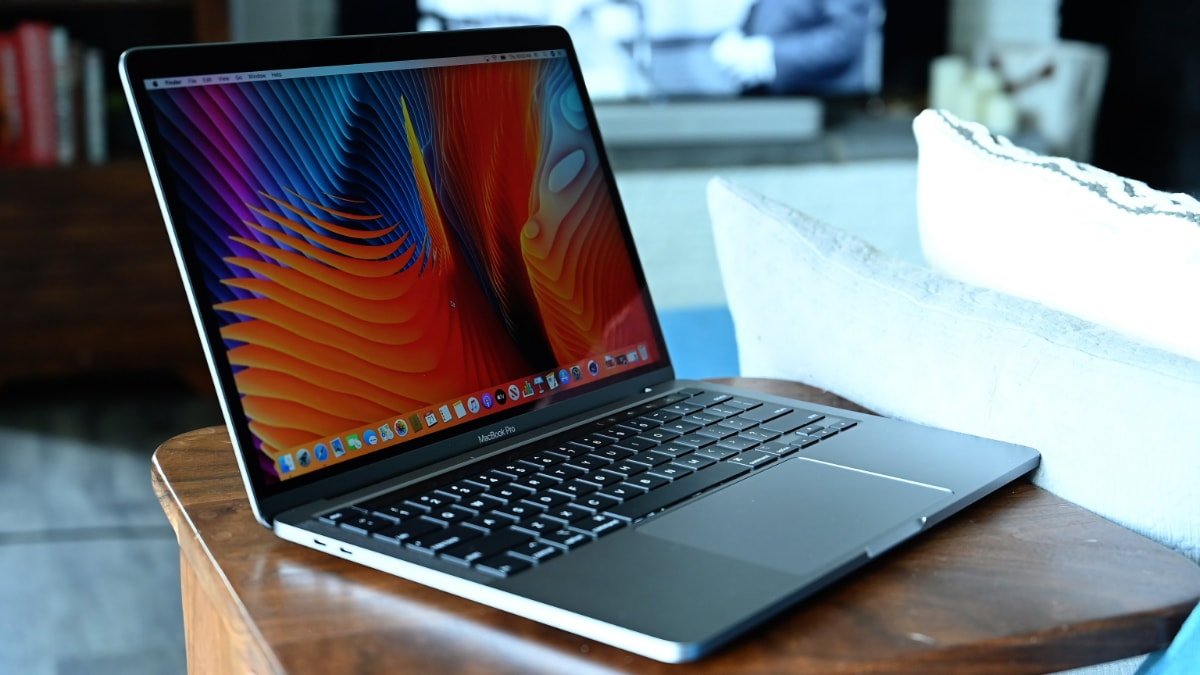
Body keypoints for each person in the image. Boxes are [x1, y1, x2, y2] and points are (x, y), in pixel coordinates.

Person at [710, 0, 877, 94]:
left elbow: (844, 39)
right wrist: (738, 34)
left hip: (825, 112)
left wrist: (770, 57)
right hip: (769, 105)